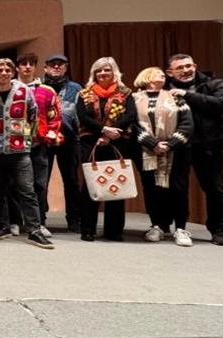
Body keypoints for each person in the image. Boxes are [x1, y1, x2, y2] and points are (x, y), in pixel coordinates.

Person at [0, 58, 53, 249]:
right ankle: (3, 226)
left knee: (27, 190)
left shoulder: (24, 91)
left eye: (7, 70)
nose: (3, 73)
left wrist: (28, 139)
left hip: (20, 150)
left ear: (12, 72)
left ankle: (34, 230)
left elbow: (34, 116)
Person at [165, 54, 223, 246]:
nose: (186, 70)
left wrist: (187, 95)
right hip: (178, 146)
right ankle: (178, 228)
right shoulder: (164, 90)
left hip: (208, 146)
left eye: (189, 66)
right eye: (180, 68)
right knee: (177, 190)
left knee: (216, 190)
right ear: (170, 72)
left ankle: (218, 231)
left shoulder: (213, 84)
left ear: (195, 66)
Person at [75, 57, 137, 242]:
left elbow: (131, 115)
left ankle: (114, 231)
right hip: (90, 143)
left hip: (117, 142)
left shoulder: (125, 93)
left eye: (106, 70)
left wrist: (110, 134)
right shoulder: (84, 93)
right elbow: (82, 117)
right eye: (99, 70)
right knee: (91, 186)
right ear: (94, 74)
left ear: (114, 72)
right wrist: (103, 130)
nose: (102, 73)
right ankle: (87, 229)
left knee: (115, 185)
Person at [132, 67, 194, 246]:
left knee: (178, 188)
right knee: (151, 188)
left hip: (176, 151)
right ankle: (157, 225)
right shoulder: (134, 99)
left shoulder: (175, 97)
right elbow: (132, 124)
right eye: (157, 72)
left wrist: (170, 144)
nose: (163, 74)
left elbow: (187, 123)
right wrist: (152, 143)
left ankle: (180, 228)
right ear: (147, 77)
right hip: (146, 151)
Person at [15, 53, 63, 238]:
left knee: (39, 185)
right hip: (15, 145)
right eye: (23, 64)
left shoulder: (46, 91)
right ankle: (15, 221)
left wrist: (50, 133)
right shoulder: (10, 88)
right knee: (13, 184)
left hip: (38, 144)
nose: (27, 67)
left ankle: (39, 222)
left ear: (35, 67)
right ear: (17, 67)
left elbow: (55, 115)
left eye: (31, 64)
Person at [43, 54, 83, 233]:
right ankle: (39, 218)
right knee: (41, 181)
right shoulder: (39, 87)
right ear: (45, 68)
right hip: (44, 140)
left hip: (69, 139)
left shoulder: (76, 88)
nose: (56, 67)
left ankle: (74, 218)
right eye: (53, 64)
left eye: (60, 65)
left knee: (71, 180)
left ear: (66, 68)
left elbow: (80, 114)